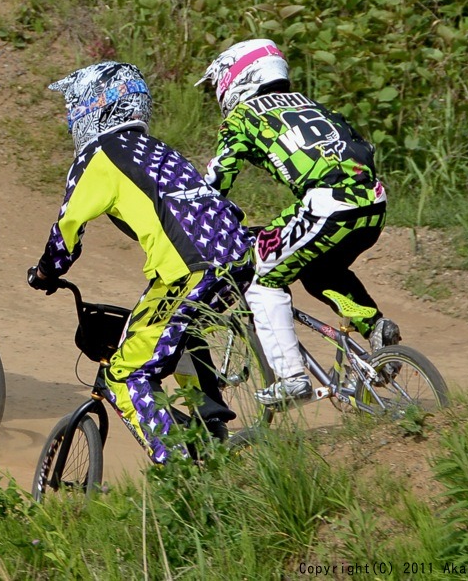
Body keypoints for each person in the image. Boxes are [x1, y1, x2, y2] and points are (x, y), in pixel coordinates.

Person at [26, 61, 253, 463]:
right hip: (236, 256)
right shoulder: (158, 150)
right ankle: (211, 424)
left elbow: (66, 233)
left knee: (125, 375)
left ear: (93, 107)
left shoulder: (99, 156)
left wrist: (45, 272)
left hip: (189, 270)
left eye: (74, 106)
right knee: (180, 331)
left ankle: (181, 471)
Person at [196, 39, 400, 407]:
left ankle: (291, 378)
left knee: (263, 275)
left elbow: (217, 179)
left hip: (327, 204)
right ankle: (375, 328)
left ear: (237, 76)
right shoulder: (309, 103)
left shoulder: (244, 116)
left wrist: (195, 216)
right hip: (374, 200)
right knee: (320, 271)